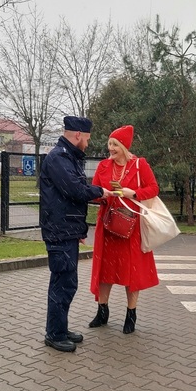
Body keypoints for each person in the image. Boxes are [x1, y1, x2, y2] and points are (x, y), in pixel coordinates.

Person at [40, 116, 112, 352]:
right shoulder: (59, 157)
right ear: (78, 135)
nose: (88, 145)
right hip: (59, 232)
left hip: (65, 230)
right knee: (63, 283)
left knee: (66, 282)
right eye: (88, 140)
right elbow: (75, 191)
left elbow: (69, 198)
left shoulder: (68, 157)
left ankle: (60, 328)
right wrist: (102, 191)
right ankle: (54, 333)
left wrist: (78, 230)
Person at [89, 125, 159, 334]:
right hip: (108, 224)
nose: (110, 148)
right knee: (104, 271)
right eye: (109, 144)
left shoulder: (139, 165)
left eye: (115, 144)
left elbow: (154, 188)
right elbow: (93, 191)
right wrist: (103, 194)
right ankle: (102, 312)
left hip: (131, 226)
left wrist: (132, 193)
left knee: (132, 271)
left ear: (124, 146)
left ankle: (131, 314)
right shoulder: (103, 166)